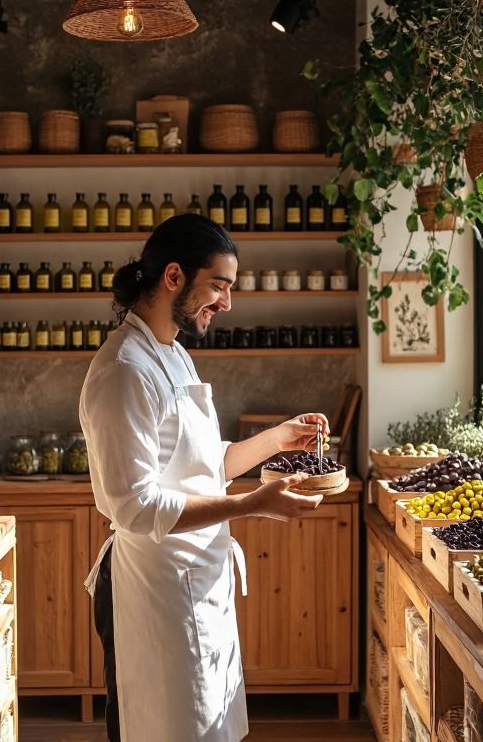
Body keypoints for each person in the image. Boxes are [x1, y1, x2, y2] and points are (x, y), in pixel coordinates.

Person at [78, 215, 328, 742]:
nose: (226, 302)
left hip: (197, 579)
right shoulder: (124, 369)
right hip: (157, 589)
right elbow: (135, 507)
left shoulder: (173, 353)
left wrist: (279, 439)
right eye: (219, 285)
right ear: (174, 276)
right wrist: (252, 505)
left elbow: (202, 463)